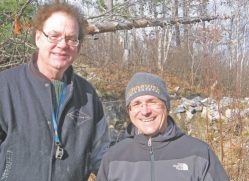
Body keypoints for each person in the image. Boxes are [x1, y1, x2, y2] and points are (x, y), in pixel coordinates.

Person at [0, 2, 110, 181]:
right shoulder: (3, 88)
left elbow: (103, 158)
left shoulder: (87, 96)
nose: (62, 45)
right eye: (54, 36)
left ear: (78, 47)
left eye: (71, 39)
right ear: (38, 38)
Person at [96, 72, 229, 181]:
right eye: (136, 104)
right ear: (129, 111)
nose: (145, 111)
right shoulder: (113, 158)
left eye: (152, 102)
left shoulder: (198, 153)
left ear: (166, 106)